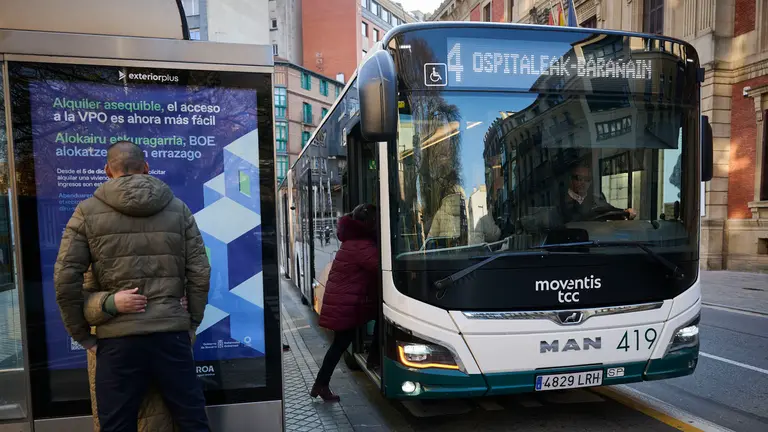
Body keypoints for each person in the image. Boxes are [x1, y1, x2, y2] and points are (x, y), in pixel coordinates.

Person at [54, 140, 211, 432]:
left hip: (117, 343)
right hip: (171, 336)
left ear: (107, 171)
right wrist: (191, 323)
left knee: (116, 425)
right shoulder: (178, 208)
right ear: (147, 168)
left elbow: (65, 279)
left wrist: (83, 336)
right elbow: (200, 271)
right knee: (192, 421)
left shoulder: (86, 212)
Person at [311, 203, 380, 402]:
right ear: (369, 224)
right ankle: (321, 384)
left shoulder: (353, 241)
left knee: (340, 344)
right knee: (340, 344)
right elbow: (380, 267)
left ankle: (321, 384)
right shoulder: (362, 246)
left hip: (348, 302)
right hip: (346, 305)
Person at [561, 162, 637, 223]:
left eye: (587, 179)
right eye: (579, 178)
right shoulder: (560, 201)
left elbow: (609, 210)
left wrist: (625, 212)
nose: (583, 182)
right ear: (570, 179)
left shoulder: (597, 199)